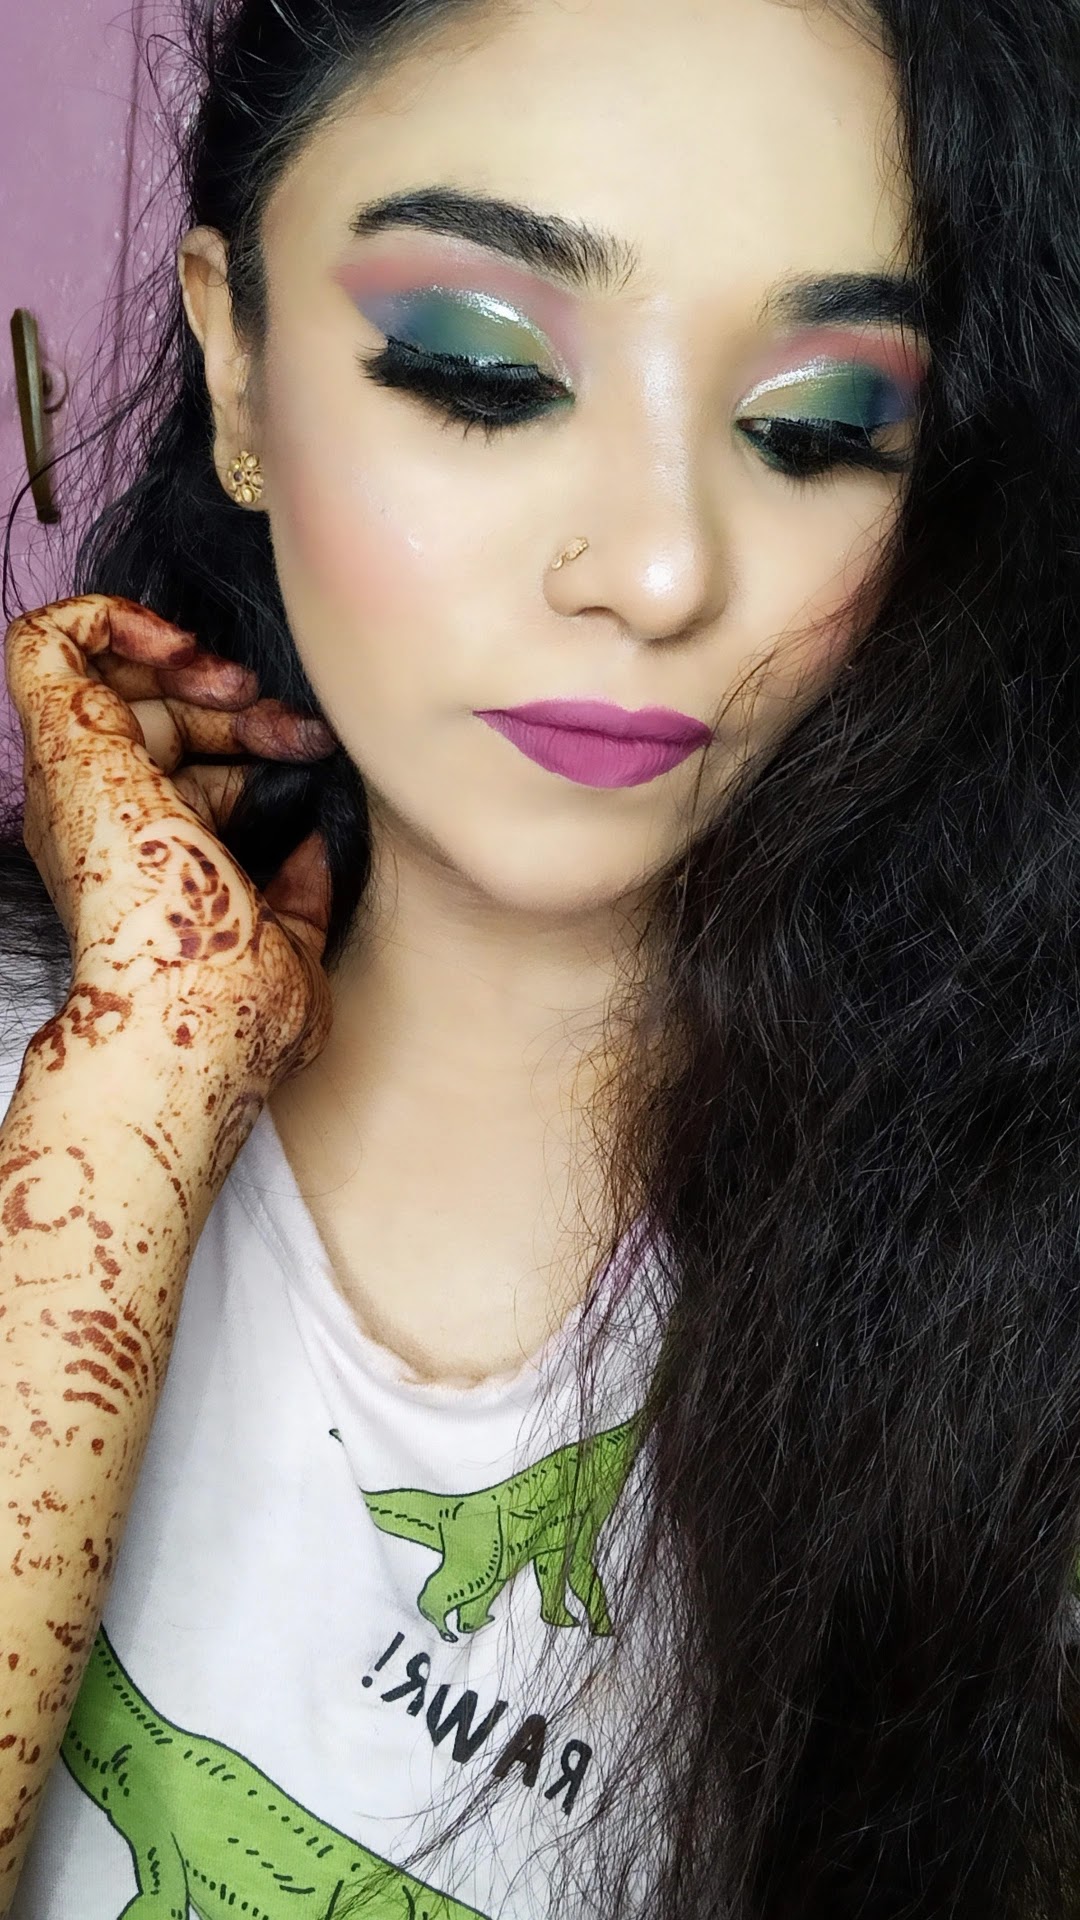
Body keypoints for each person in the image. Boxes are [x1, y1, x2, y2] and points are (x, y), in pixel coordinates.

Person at [2, 0, 1079, 1912]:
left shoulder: (1005, 1339)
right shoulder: (58, 1082)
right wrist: (122, 1127)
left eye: (820, 427)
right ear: (237, 363)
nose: (660, 572)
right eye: (484, 372)